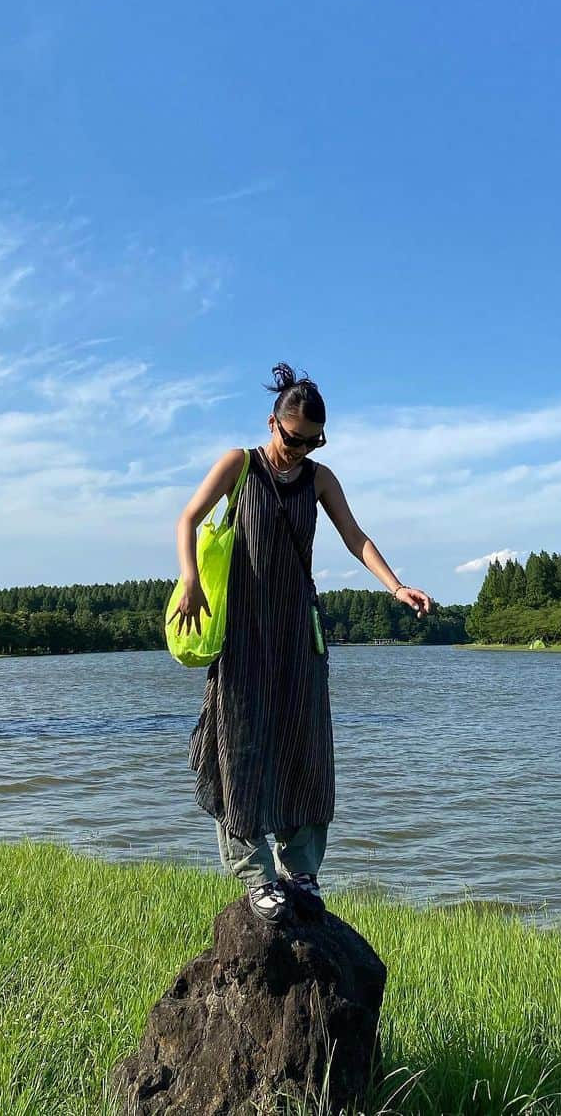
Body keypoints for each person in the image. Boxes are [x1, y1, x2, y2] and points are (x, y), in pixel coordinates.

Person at [170, 362, 433, 924]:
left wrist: (396, 586)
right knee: (238, 746)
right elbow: (187, 519)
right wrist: (190, 580)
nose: (303, 450)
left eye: (315, 441)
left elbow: (355, 537)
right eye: (295, 439)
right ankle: (255, 873)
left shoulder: (319, 479)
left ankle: (302, 871)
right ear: (273, 424)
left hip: (297, 633)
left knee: (306, 747)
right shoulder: (239, 466)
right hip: (242, 635)